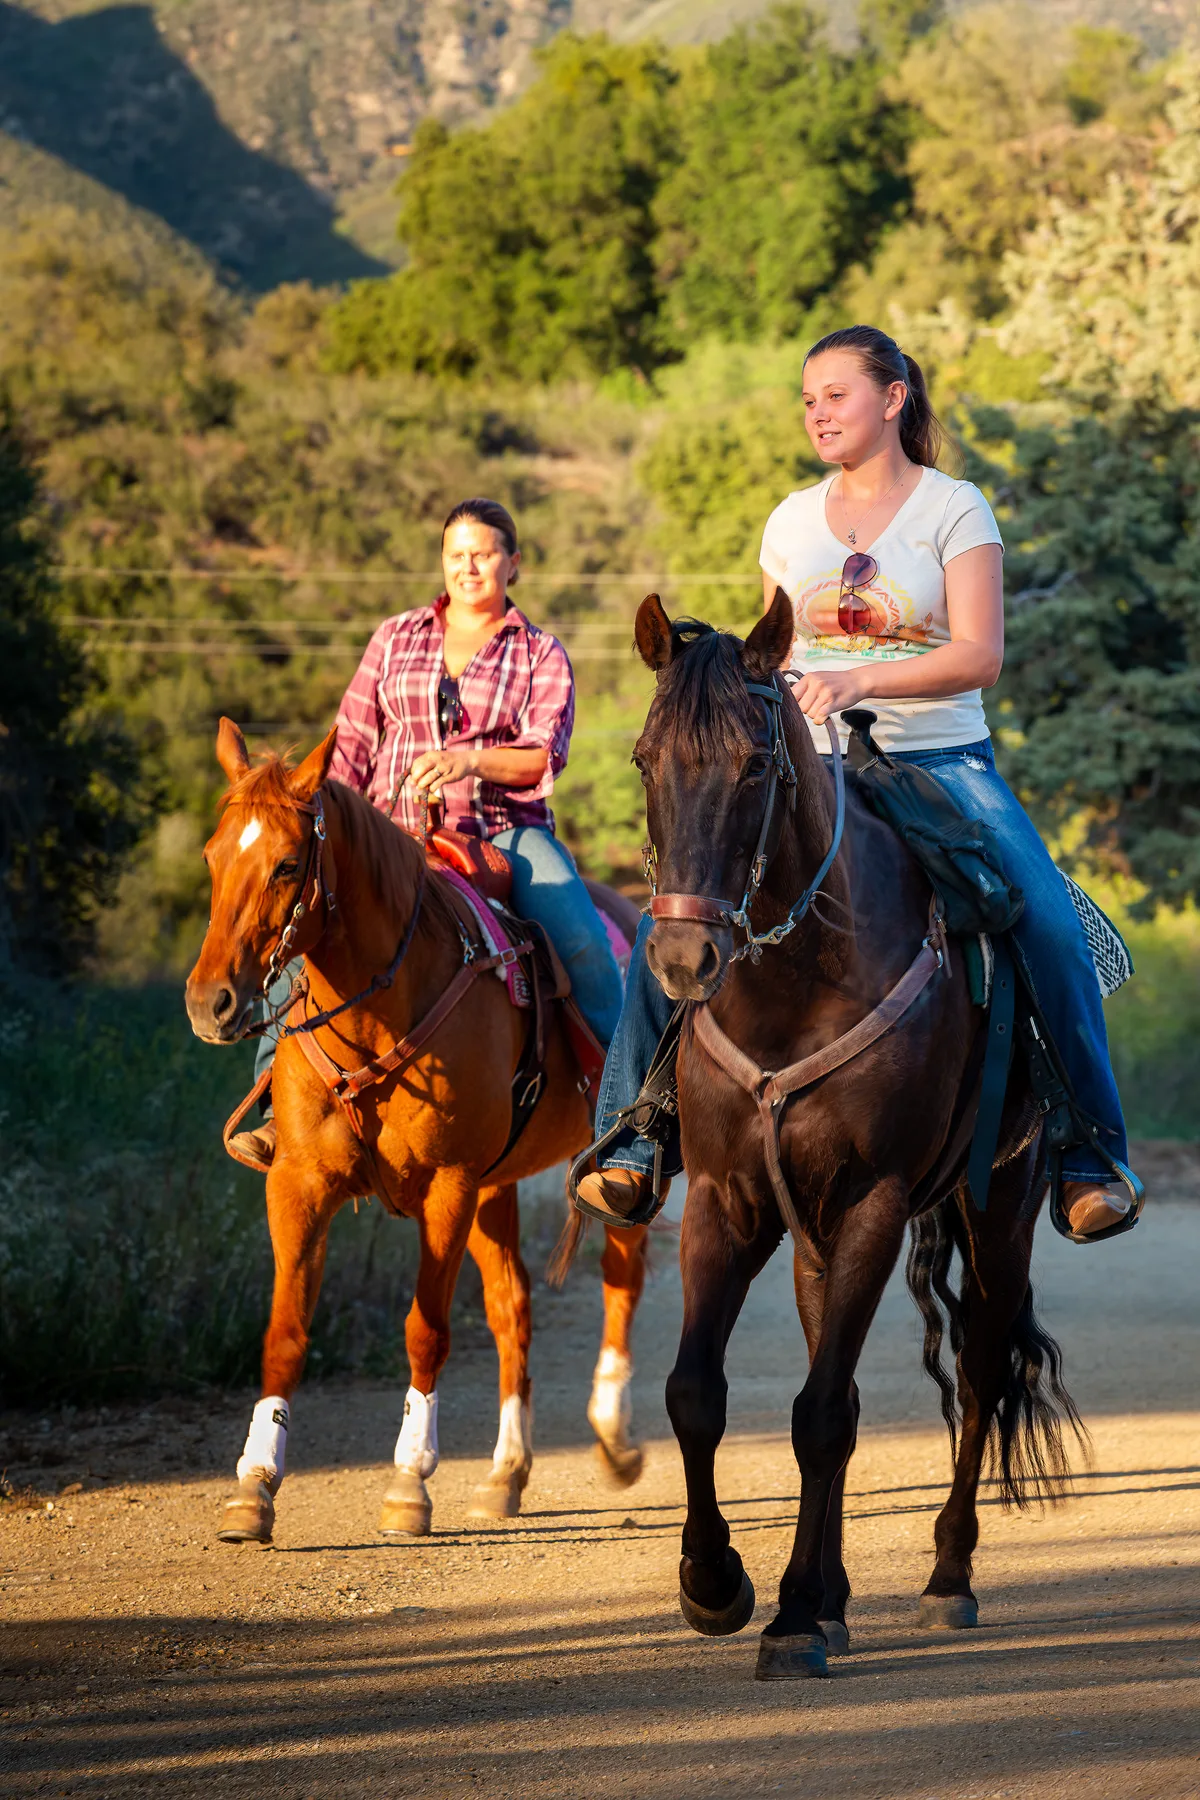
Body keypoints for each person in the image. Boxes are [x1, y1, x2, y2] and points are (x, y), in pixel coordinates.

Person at [577, 324, 1137, 1244]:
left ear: (893, 397)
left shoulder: (955, 508)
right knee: (676, 909)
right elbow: (770, 658)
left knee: (1047, 920)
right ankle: (635, 1135)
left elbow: (980, 654)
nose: (818, 414)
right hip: (810, 765)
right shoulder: (791, 520)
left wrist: (858, 681)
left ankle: (1088, 1154)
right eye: (808, 401)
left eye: (836, 395)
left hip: (939, 760)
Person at [232, 497, 623, 1166]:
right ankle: (273, 1095)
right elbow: (353, 744)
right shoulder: (394, 637)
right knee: (302, 918)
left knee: (584, 942)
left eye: (484, 554)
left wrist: (469, 760)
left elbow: (540, 756)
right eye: (456, 555)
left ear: (514, 564)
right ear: (442, 561)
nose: (469, 567)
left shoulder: (540, 653)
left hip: (505, 834)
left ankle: (621, 1112)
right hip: (387, 837)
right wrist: (326, 828)